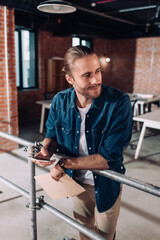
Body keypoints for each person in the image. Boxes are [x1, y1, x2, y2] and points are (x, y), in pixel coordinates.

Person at [33, 45, 132, 240]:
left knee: (105, 236)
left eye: (97, 71)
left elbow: (109, 158)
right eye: (87, 75)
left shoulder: (118, 102)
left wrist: (63, 163)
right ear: (70, 79)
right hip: (76, 183)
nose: (96, 80)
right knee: (84, 233)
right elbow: (52, 134)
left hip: (107, 184)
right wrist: (46, 150)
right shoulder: (60, 101)